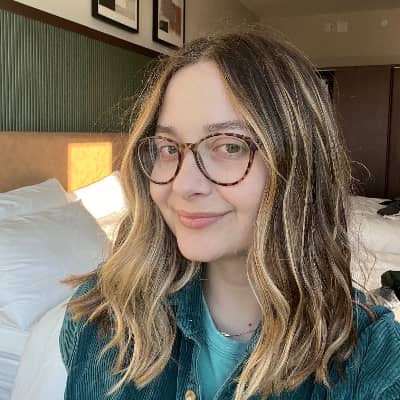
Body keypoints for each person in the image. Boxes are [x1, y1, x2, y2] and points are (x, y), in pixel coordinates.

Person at [59, 28, 400, 400]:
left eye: (230, 146)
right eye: (169, 147)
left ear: (301, 166)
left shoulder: (374, 360)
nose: (183, 185)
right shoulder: (100, 317)